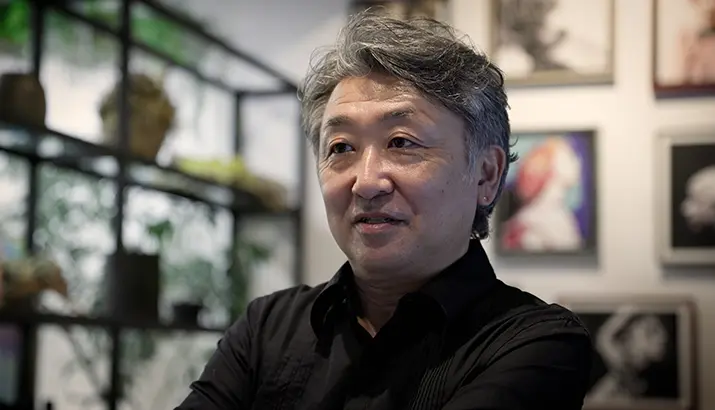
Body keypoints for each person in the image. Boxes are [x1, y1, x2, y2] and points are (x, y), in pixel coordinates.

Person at [176, 11, 593, 410]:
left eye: (401, 142)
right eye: (341, 147)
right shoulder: (267, 328)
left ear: (485, 175)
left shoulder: (535, 342)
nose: (366, 182)